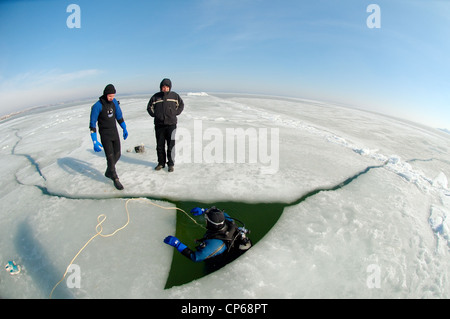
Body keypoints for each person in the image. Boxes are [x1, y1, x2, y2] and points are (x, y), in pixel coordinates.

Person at [164, 207, 251, 269]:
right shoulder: (229, 221)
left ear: (210, 223)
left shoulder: (216, 244)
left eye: (206, 219)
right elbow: (220, 213)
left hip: (219, 262)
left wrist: (178, 244)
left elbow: (196, 257)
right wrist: (204, 210)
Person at [89, 84, 129, 190]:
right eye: (110, 96)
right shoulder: (98, 106)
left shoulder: (114, 102)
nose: (112, 98)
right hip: (105, 134)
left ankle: (109, 171)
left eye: (113, 96)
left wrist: (124, 128)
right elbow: (92, 124)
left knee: (118, 154)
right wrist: (94, 141)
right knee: (110, 157)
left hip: (114, 132)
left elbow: (119, 116)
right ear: (105, 94)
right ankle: (115, 178)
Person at [147, 78, 184, 172]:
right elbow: (149, 107)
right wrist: (155, 115)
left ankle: (171, 164)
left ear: (170, 87)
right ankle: (161, 163)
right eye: (163, 87)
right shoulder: (156, 97)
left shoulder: (174, 95)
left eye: (167, 87)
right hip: (159, 125)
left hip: (171, 124)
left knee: (171, 145)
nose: (165, 88)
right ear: (161, 87)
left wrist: (175, 112)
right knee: (160, 145)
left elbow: (181, 105)